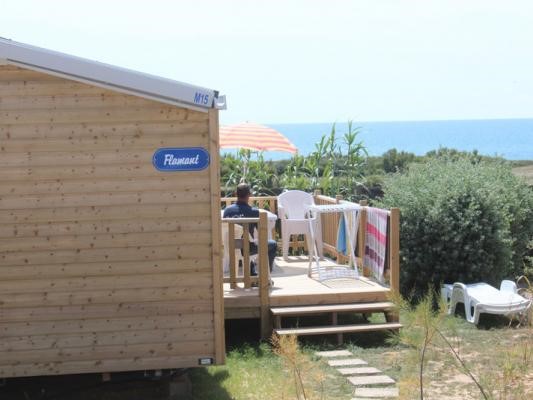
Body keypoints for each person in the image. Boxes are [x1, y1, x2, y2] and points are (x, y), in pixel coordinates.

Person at [223, 183, 277, 277]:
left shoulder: (227, 211)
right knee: (272, 244)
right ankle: (266, 275)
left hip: (230, 247)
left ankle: (251, 271)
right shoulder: (254, 212)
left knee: (250, 242)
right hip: (246, 249)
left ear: (236, 193)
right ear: (249, 194)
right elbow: (261, 232)